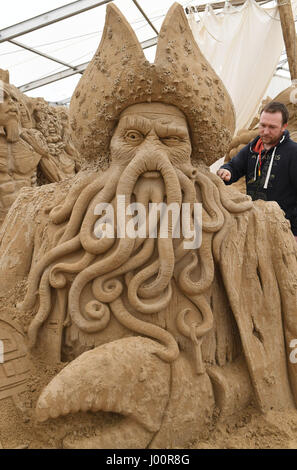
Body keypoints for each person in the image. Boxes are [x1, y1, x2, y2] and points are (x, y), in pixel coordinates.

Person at [217, 101, 297, 241]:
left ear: (284, 127)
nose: (265, 131)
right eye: (263, 125)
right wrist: (226, 171)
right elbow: (234, 166)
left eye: (272, 127)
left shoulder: (293, 152)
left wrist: (295, 232)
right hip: (254, 224)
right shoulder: (252, 148)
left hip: (285, 230)